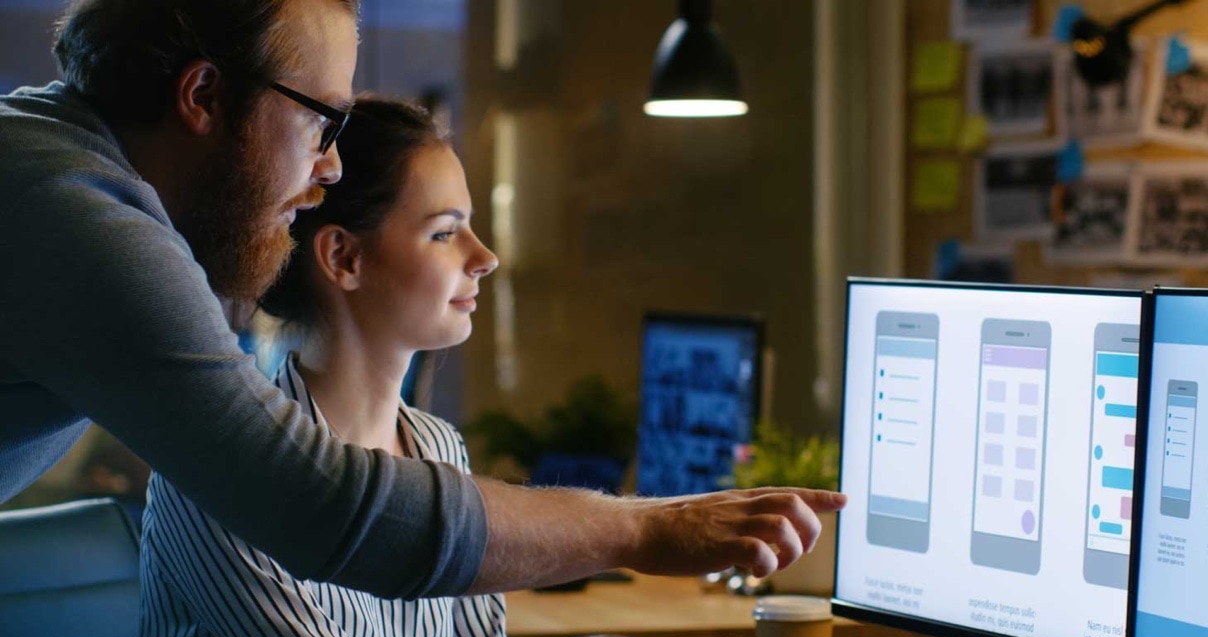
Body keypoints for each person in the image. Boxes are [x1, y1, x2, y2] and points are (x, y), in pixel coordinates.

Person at [0, 0, 845, 602]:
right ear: (204, 98)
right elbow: (319, 506)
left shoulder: (60, 179)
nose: (329, 168)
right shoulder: (76, 215)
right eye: (322, 122)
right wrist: (646, 531)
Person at [139, 95, 538, 637]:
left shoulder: (440, 449)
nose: (485, 258)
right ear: (344, 257)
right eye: (444, 233)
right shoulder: (214, 476)